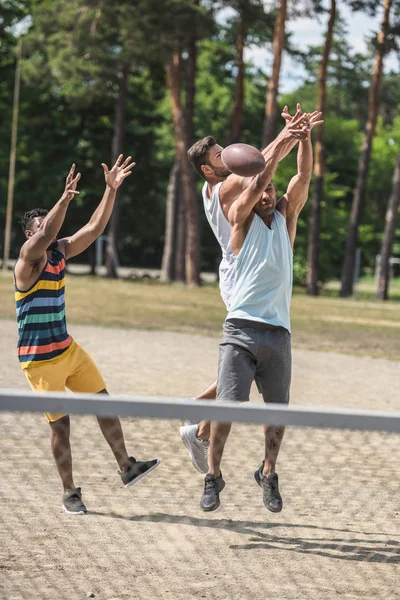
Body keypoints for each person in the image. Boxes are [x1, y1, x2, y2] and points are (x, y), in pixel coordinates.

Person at [14, 155, 160, 515]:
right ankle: (69, 493)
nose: (46, 227)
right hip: (40, 360)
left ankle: (127, 466)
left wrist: (110, 191)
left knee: (103, 402)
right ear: (29, 234)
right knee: (61, 427)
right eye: (40, 224)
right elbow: (49, 230)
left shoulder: (59, 251)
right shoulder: (27, 260)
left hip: (66, 349)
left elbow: (93, 230)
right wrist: (64, 198)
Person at [180, 106, 321, 474]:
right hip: (241, 271)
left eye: (225, 149)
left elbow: (273, 169)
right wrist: (290, 132)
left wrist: (295, 135)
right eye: (218, 156)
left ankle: (198, 421)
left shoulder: (236, 185)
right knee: (246, 349)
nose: (227, 155)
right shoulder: (224, 186)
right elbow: (263, 166)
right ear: (209, 170)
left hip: (250, 263)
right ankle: (199, 418)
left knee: (245, 359)